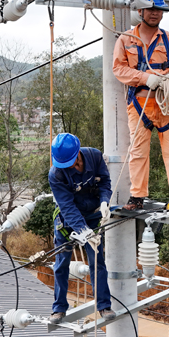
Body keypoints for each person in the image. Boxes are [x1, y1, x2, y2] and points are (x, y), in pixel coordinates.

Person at [112, 0, 169, 213]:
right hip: (140, 104)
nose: (154, 13)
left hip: (167, 104)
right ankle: (137, 196)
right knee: (137, 152)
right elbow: (119, 69)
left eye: (158, 9)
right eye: (149, 9)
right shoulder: (127, 39)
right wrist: (146, 78)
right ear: (140, 10)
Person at [48, 133, 115, 324]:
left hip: (92, 214)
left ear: (78, 154)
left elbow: (105, 182)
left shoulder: (94, 156)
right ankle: (59, 308)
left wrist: (104, 202)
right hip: (68, 220)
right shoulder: (56, 173)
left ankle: (103, 305)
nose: (68, 167)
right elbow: (67, 206)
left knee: (97, 261)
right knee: (61, 263)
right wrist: (84, 231)